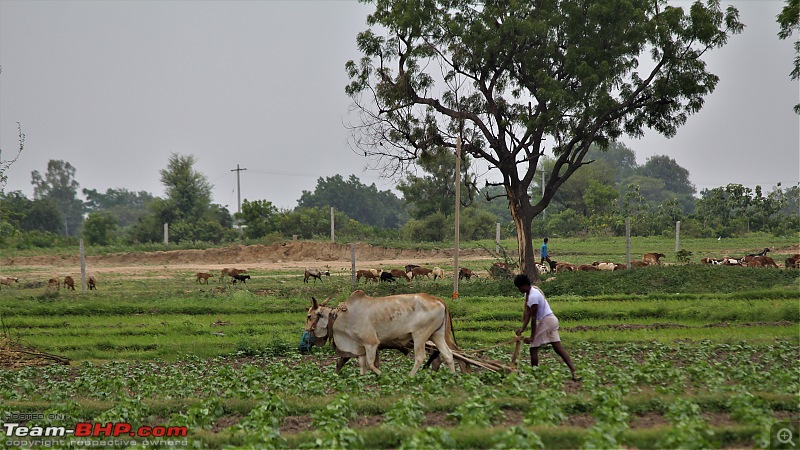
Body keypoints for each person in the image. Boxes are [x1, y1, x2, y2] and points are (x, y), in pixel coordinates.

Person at [514, 273, 579, 381]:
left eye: (519, 287)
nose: (519, 290)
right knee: (558, 348)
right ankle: (574, 371)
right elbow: (527, 313)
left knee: (533, 348)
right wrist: (522, 329)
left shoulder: (533, 297)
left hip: (546, 321)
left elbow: (533, 319)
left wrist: (532, 337)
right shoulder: (530, 292)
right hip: (552, 320)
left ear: (524, 285)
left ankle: (535, 376)